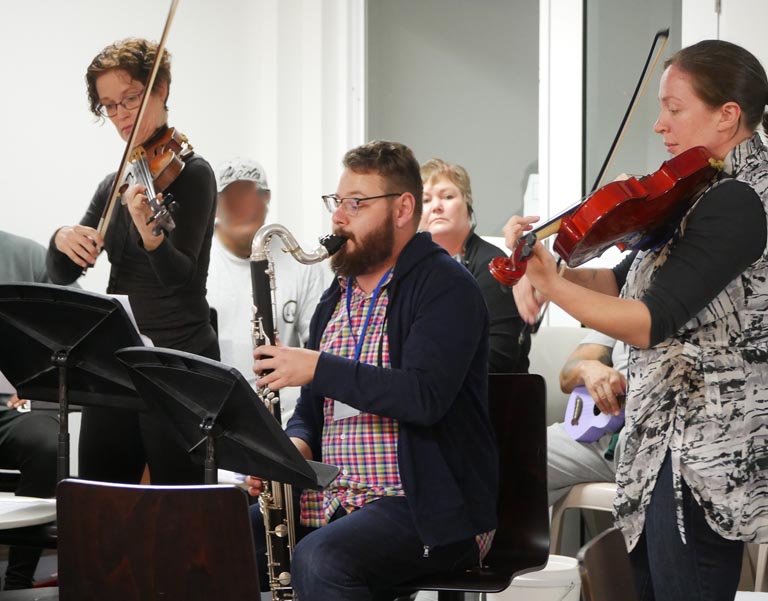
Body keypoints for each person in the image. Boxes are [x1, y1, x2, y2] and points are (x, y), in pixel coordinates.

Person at [504, 40, 768, 601]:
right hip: (667, 432)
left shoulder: (740, 200)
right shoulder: (704, 187)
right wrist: (548, 265)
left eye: (674, 107)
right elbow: (624, 283)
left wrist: (553, 286)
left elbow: (649, 320)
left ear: (727, 115)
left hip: (706, 442)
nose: (660, 124)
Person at [245, 140, 498, 600]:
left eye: (356, 204)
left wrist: (318, 367)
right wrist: (291, 450)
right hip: (336, 497)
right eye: (337, 203)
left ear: (403, 209)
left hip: (425, 505)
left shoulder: (445, 287)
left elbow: (424, 397)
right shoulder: (335, 298)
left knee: (322, 560)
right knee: (211, 533)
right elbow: (311, 410)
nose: (339, 217)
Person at [46, 38, 218, 485]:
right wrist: (62, 238)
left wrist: (150, 233)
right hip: (119, 358)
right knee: (100, 497)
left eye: (131, 99)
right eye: (110, 106)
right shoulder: (115, 183)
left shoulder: (193, 175)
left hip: (177, 360)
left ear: (160, 88)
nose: (122, 115)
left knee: (178, 508)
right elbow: (62, 273)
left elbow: (182, 282)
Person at [207, 157, 328, 423]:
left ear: (267, 199)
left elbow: (319, 349)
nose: (242, 208)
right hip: (220, 416)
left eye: (250, 196)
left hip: (287, 419)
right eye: (232, 199)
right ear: (215, 205)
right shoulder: (197, 262)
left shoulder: (301, 263)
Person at [420, 158, 530, 373]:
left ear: (468, 206)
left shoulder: (493, 265)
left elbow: (498, 358)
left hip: (494, 397)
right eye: (425, 200)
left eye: (448, 197)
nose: (436, 207)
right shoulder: (411, 269)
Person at [0, 231, 60, 590]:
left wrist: (38, 387)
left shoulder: (27, 256)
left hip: (8, 406)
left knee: (50, 442)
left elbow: (67, 335)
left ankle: (18, 580)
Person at [547, 330, 627, 506]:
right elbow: (566, 377)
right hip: (602, 436)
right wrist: (587, 367)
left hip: (652, 439)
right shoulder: (624, 307)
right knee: (513, 451)